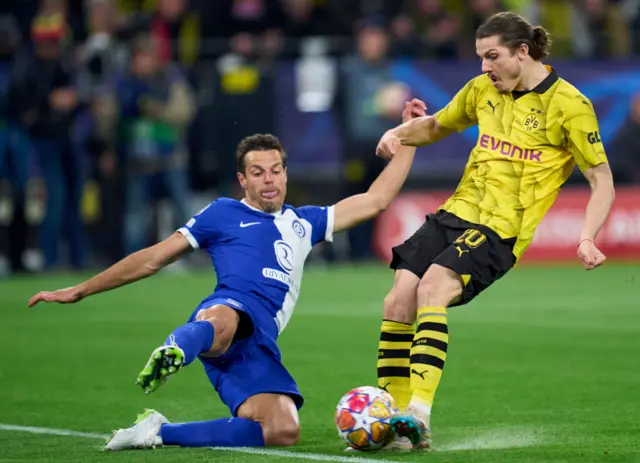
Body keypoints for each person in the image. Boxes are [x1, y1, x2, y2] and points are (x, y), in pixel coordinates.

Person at [27, 100, 426, 451]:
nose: (268, 180)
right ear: (243, 180)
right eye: (257, 173)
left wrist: (408, 137)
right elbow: (153, 258)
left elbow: (376, 200)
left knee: (282, 430)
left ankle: (158, 432)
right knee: (225, 317)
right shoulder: (221, 213)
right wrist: (81, 290)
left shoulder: (305, 223)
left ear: (285, 173)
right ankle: (176, 349)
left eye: (275, 171)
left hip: (259, 342)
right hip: (223, 315)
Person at [374, 12, 615, 450]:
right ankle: (393, 424)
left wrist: (586, 237)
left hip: (502, 228)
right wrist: (398, 133)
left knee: (432, 288)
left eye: (492, 57)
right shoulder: (483, 89)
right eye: (481, 57)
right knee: (398, 297)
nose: (484, 67)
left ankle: (419, 416)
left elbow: (602, 179)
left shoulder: (570, 106)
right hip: (457, 211)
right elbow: (435, 125)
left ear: (522, 52)